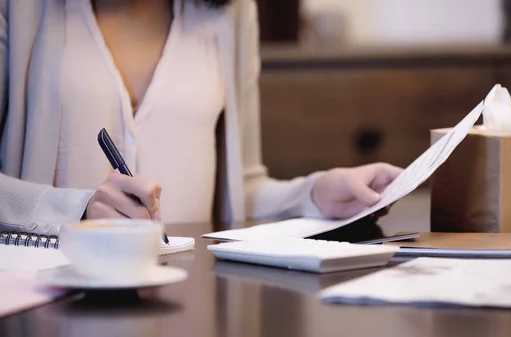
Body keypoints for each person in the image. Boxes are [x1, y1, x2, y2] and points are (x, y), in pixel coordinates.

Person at [0, 0, 402, 236]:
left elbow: (237, 191)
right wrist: (77, 210)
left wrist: (316, 194)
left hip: (193, 305)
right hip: (49, 305)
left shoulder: (232, 13)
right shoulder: (19, 11)